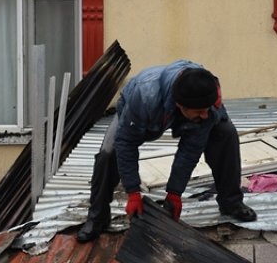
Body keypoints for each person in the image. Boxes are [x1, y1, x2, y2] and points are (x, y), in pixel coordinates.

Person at [76, 61, 256, 242]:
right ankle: (97, 217)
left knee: (226, 133)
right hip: (137, 109)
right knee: (109, 153)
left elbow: (190, 150)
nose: (205, 115)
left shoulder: (207, 96)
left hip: (182, 103)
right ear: (180, 105)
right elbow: (126, 143)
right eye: (200, 111)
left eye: (207, 110)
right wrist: (133, 192)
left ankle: (231, 202)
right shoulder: (144, 97)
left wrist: (174, 193)